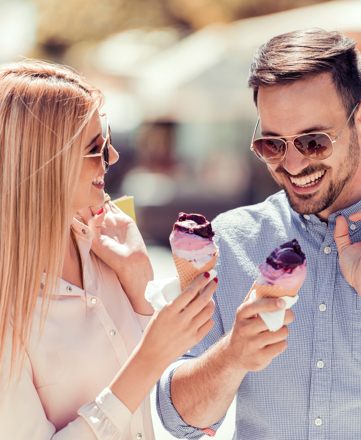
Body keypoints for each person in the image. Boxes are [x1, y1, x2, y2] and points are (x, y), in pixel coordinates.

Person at [156, 29, 361, 439]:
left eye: (312, 141)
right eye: (272, 144)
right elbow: (179, 419)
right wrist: (232, 356)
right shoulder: (232, 241)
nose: (291, 164)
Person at [0, 60, 217, 440]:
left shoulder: (108, 241)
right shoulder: (8, 302)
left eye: (108, 141)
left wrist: (140, 284)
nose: (113, 158)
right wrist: (146, 361)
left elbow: (160, 407)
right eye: (95, 148)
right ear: (44, 164)